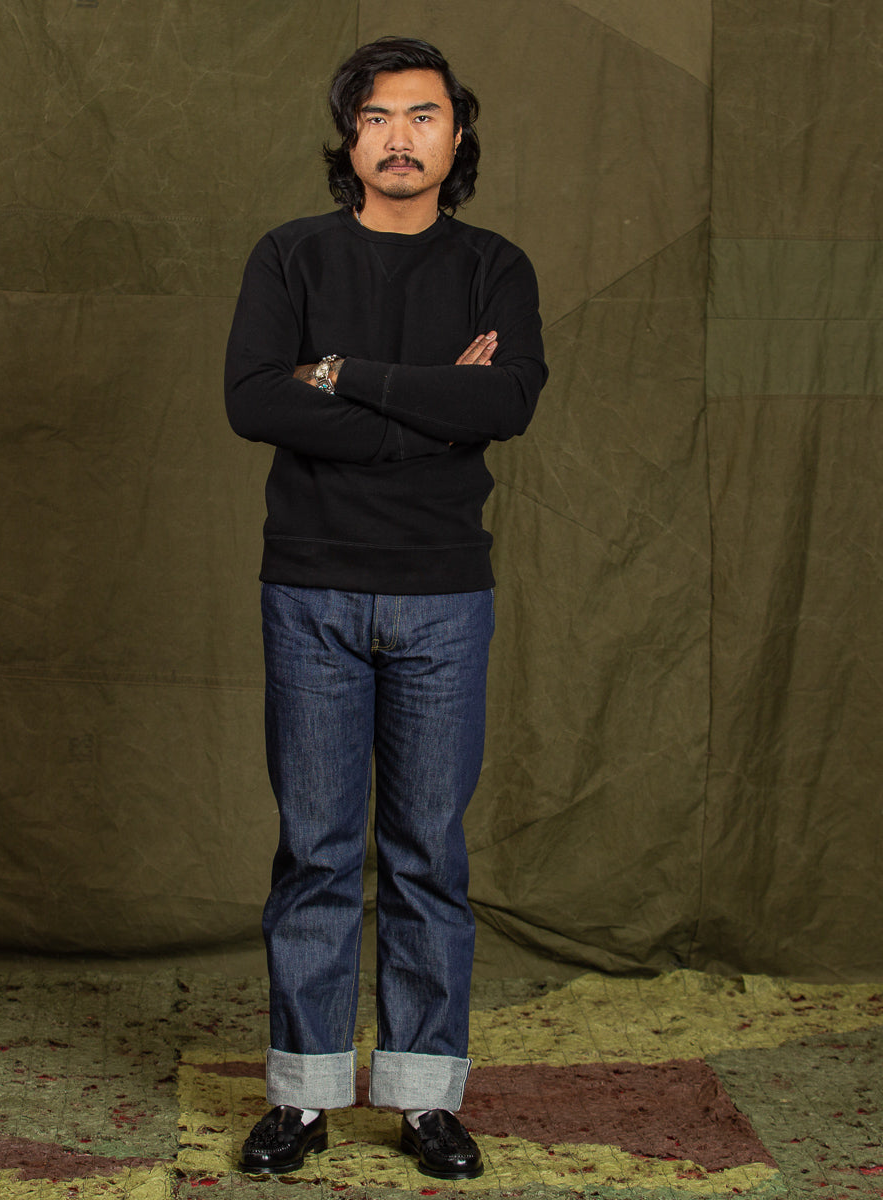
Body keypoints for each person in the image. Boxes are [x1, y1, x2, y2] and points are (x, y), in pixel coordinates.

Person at [224, 35, 547, 1181]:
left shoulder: (496, 266)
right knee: (315, 854)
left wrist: (344, 374)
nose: (398, 138)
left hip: (444, 599)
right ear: (348, 139)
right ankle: (303, 1100)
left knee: (425, 858)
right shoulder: (290, 255)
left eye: (422, 116)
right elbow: (252, 400)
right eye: (375, 118)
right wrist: (434, 408)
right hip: (309, 589)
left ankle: (423, 1101)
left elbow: (506, 402)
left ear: (457, 135)